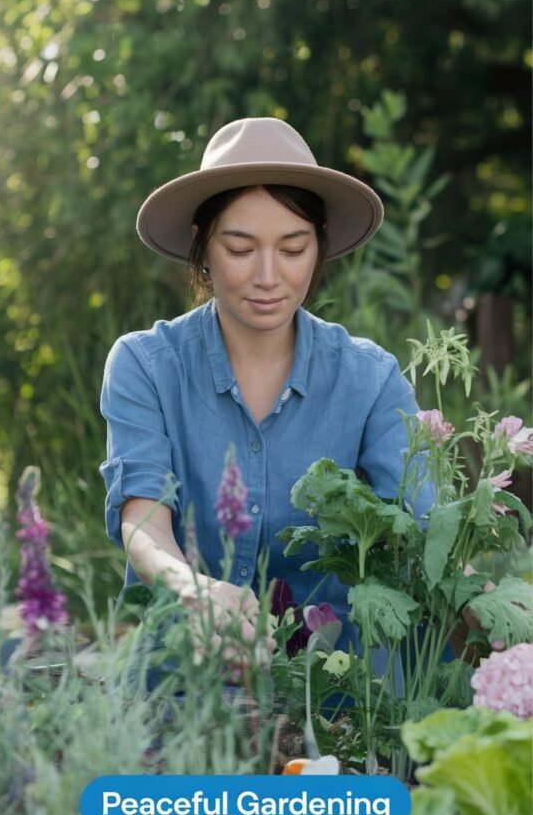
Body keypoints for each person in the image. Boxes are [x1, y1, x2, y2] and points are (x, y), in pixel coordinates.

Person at [99, 116, 433, 662]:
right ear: (201, 247)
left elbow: (423, 524)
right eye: (240, 248)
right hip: (182, 687)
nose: (268, 276)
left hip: (333, 702)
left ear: (319, 248)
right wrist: (194, 591)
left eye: (294, 248)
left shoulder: (369, 379)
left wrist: (480, 598)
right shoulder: (146, 365)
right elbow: (142, 518)